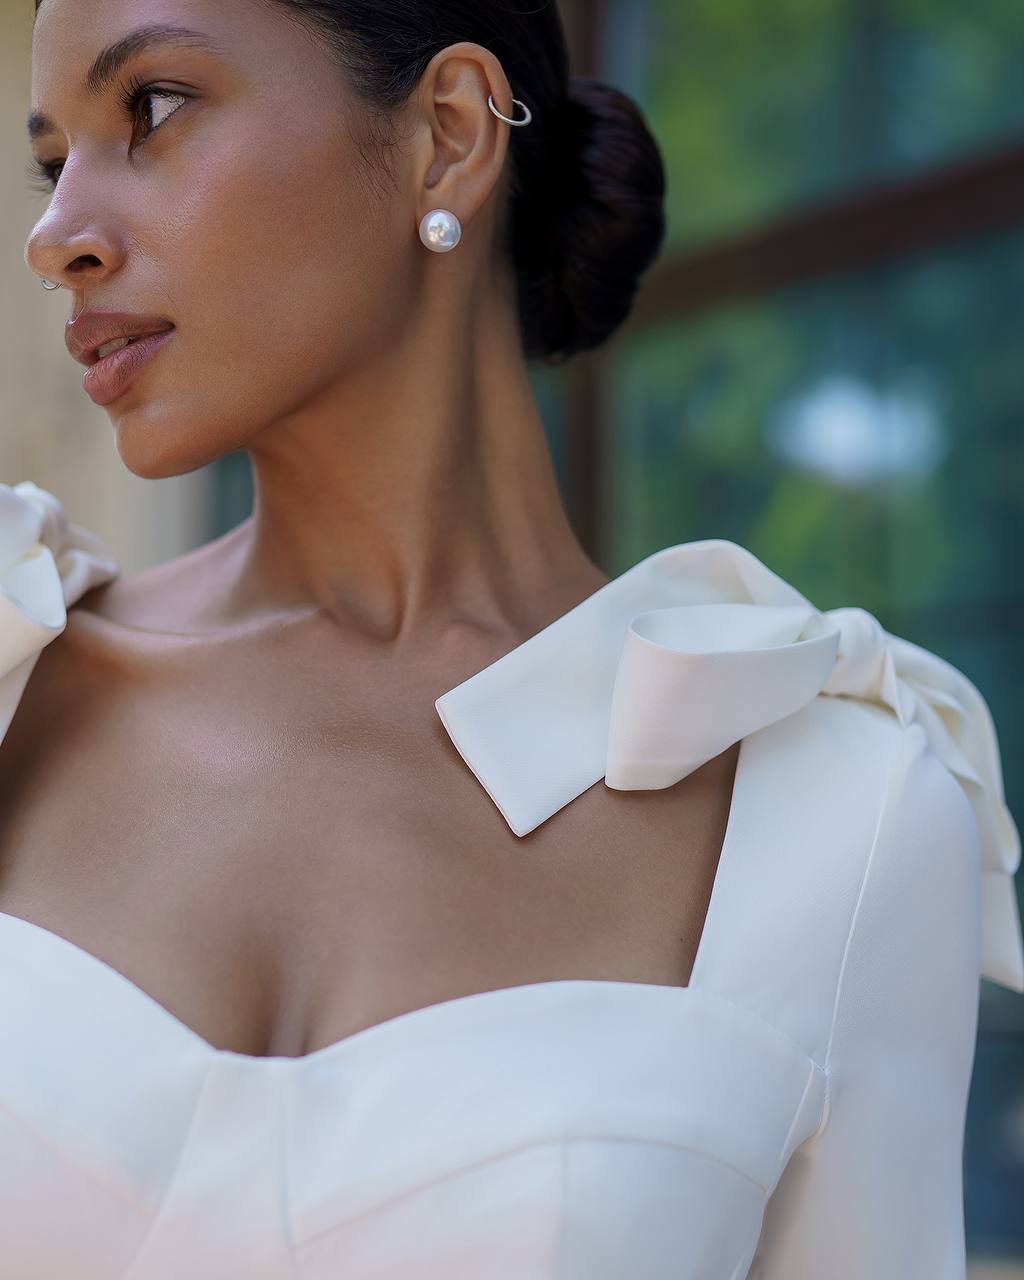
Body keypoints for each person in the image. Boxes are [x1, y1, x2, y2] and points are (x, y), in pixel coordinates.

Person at [3, 0, 1022, 1275]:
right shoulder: (15, 674)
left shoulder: (840, 811)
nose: (55, 236)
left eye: (151, 110)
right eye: (56, 162)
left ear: (447, 134)